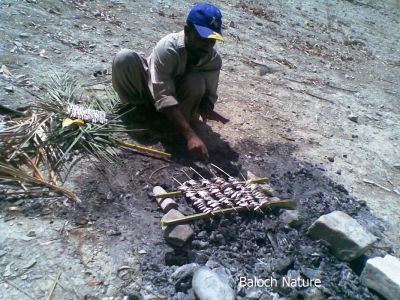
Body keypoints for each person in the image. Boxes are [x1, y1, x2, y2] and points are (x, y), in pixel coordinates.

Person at [112, 3, 229, 161]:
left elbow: (209, 93)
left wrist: (206, 107)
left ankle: (171, 126)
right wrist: (191, 136)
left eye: (212, 40)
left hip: (180, 104)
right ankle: (136, 111)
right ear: (187, 30)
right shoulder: (168, 47)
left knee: (196, 81)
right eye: (203, 38)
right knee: (124, 58)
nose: (207, 45)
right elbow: (163, 95)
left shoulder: (213, 60)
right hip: (151, 93)